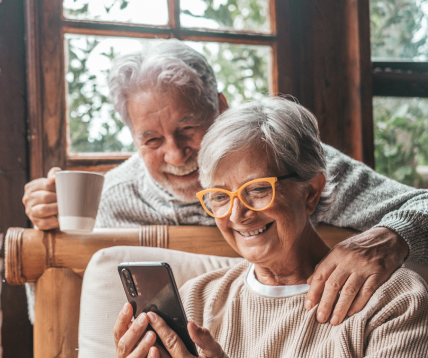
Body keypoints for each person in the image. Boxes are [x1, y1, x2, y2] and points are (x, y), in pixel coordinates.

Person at [22, 40, 428, 325]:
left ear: (220, 108)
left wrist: (393, 236)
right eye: (151, 140)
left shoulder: (288, 164)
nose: (176, 154)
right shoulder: (110, 199)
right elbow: (44, 313)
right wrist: (50, 235)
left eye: (189, 128)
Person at [112, 98, 428, 358]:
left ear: (311, 192)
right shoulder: (195, 300)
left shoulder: (393, 299)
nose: (238, 215)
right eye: (221, 196)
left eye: (259, 189)